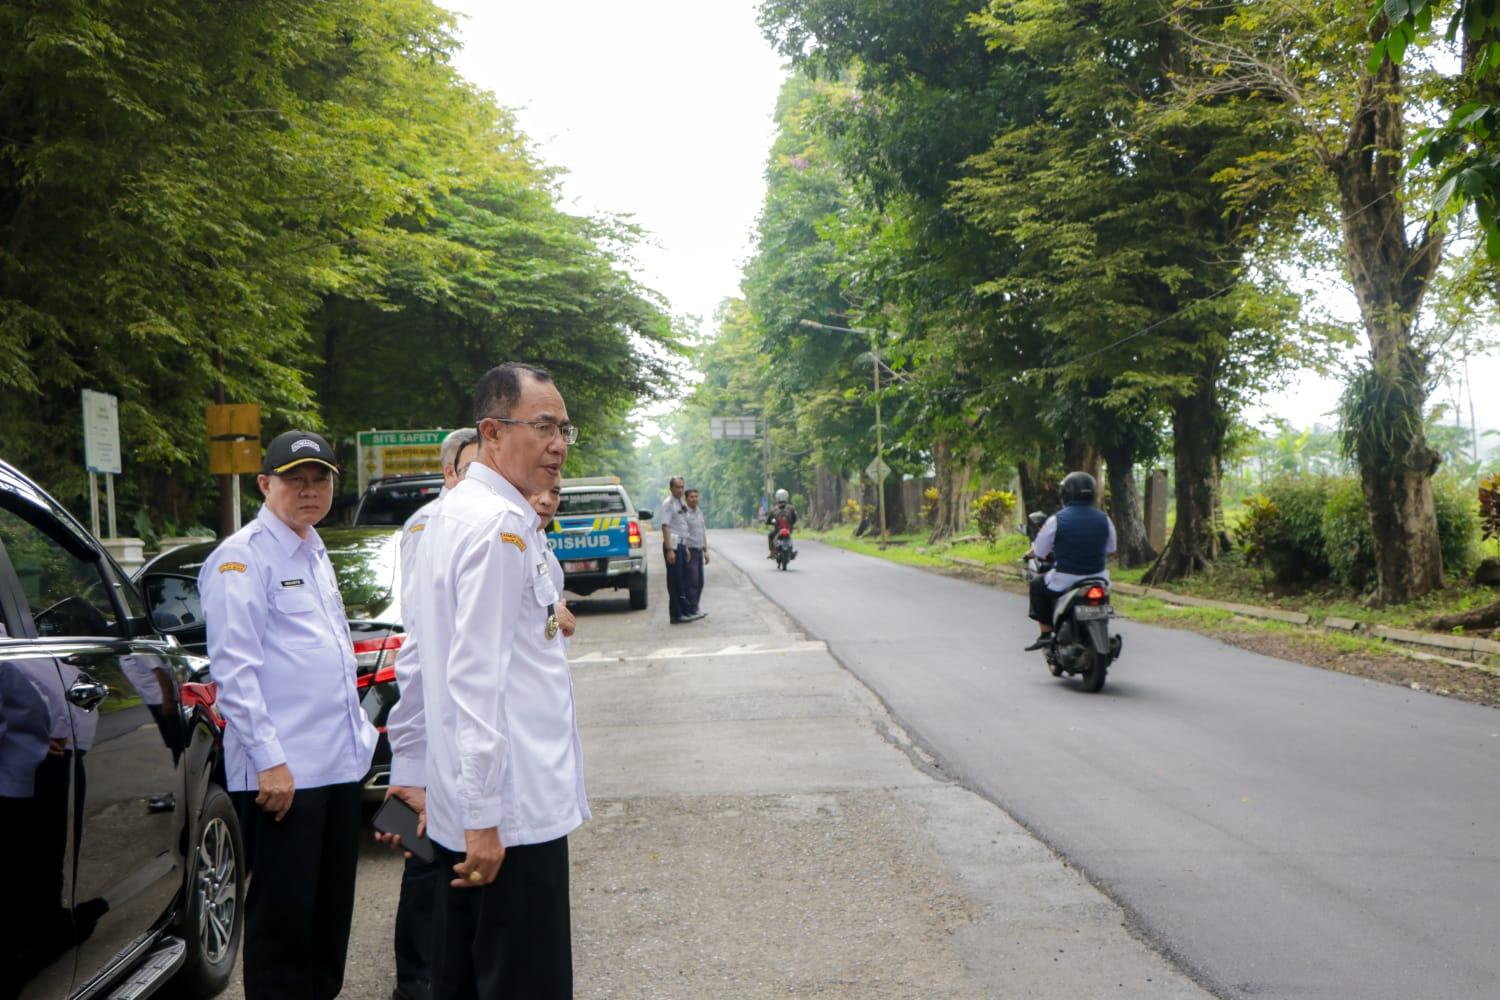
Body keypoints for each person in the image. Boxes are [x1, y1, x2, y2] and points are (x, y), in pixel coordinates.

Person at [386, 363, 589, 1000]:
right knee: (522, 978)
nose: (558, 444)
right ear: (492, 433)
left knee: (464, 978)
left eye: (564, 429)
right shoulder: (496, 529)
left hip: (468, 806)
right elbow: (476, 681)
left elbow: (419, 658)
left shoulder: (450, 517)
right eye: (544, 426)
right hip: (511, 812)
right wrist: (484, 816)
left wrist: (416, 771)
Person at [198, 430, 379, 1000]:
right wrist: (270, 762)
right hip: (286, 777)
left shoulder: (313, 549)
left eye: (320, 477)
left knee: (329, 922)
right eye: (295, 478)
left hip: (336, 769)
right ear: (264, 484)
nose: (309, 489)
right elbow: (236, 673)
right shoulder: (243, 558)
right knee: (283, 925)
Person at [384, 427, 477, 1000]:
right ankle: (414, 978)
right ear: (448, 473)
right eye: (470, 469)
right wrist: (409, 765)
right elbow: (418, 645)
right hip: (435, 711)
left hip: (472, 722)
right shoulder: (428, 527)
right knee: (425, 855)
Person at [1023, 471, 1117, 650]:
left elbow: (1041, 551)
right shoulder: (1104, 519)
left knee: (1036, 584)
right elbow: (1111, 548)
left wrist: (1032, 553)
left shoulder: (1057, 520)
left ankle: (1045, 633)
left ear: (1065, 494)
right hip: (1099, 578)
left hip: (1065, 579)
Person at [530, 485, 576, 640]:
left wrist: (554, 620)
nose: (547, 501)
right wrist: (554, 620)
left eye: (555, 492)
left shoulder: (539, 536)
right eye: (536, 489)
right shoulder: (510, 545)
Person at [659, 476, 700, 623]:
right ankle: (676, 614)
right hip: (673, 546)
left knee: (682, 580)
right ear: (671, 488)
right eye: (677, 487)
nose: (681, 490)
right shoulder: (668, 504)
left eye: (682, 487)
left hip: (682, 545)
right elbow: (665, 526)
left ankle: (683, 611)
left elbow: (682, 525)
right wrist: (669, 549)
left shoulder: (680, 502)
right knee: (674, 581)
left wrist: (686, 547)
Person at [681, 488, 708, 617]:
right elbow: (683, 532)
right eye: (691, 497)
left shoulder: (699, 512)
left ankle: (696, 607)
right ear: (686, 499)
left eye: (696, 496)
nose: (694, 499)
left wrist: (706, 550)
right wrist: (685, 549)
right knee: (692, 581)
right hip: (690, 551)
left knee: (700, 581)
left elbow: (703, 532)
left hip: (699, 551)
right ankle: (691, 609)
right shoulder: (684, 513)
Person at [766, 488, 797, 558]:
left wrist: (769, 523)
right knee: (789, 537)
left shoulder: (774, 509)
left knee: (770, 535)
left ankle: (772, 551)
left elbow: (768, 520)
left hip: (777, 530)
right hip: (788, 529)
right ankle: (791, 551)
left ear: (777, 498)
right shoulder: (791, 508)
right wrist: (791, 524)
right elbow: (795, 518)